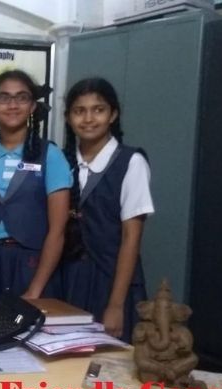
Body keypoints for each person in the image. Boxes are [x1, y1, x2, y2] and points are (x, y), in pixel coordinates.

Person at [0, 69, 72, 312]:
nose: (13, 105)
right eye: (3, 98)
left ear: (32, 106)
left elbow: (58, 230)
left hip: (33, 266)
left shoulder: (51, 156)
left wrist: (35, 290)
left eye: (22, 97)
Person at [59, 77, 154, 341]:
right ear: (68, 118)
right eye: (79, 111)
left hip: (112, 282)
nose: (88, 119)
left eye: (98, 110)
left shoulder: (131, 162)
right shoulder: (62, 161)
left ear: (113, 114)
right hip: (68, 279)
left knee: (109, 360)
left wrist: (115, 305)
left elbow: (131, 238)